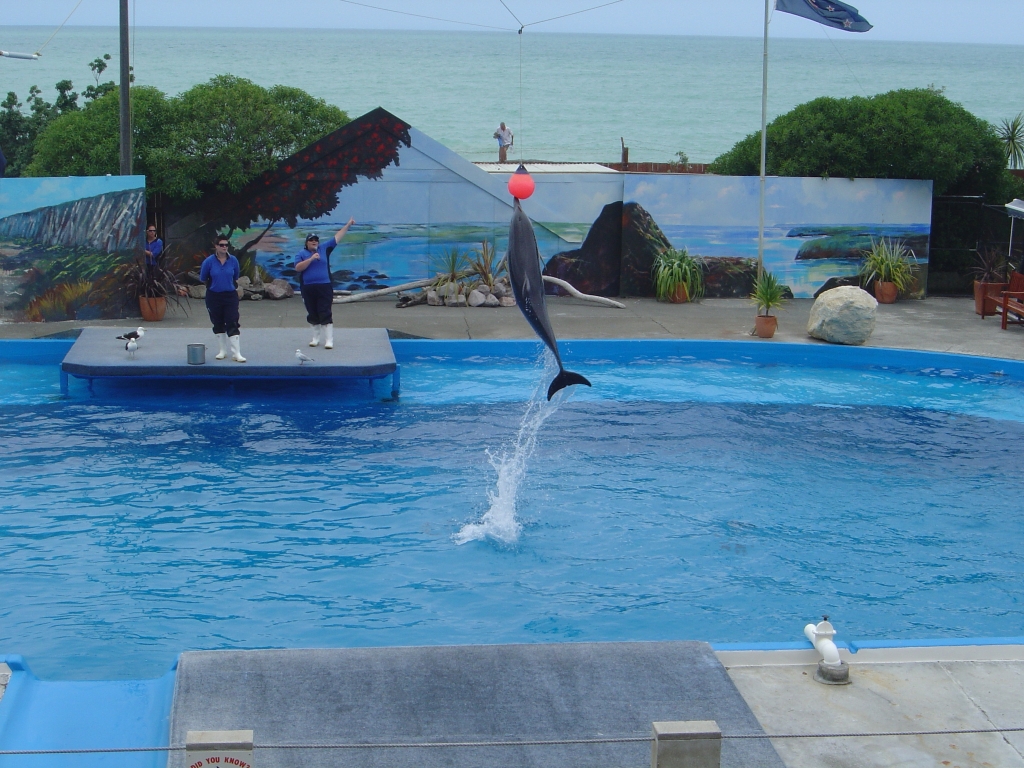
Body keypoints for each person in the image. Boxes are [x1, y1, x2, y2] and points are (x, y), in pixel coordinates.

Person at [294, 218, 355, 350]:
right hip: (308, 287)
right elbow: (298, 268)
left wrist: (348, 224)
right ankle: (315, 338)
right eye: (311, 240)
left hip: (324, 285)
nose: (314, 242)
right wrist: (311, 259)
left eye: (316, 240)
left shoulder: (324, 248)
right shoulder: (301, 253)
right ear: (306, 243)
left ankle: (329, 340)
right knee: (312, 312)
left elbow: (337, 237)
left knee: (324, 311)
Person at [199, 236, 245, 362]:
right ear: (216, 246)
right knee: (217, 322)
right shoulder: (208, 261)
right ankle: (222, 350)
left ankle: (236, 353)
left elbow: (236, 276)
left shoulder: (233, 260)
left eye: (226, 245)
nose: (224, 247)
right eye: (221, 245)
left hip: (230, 295)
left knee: (232, 320)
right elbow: (203, 278)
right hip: (214, 295)